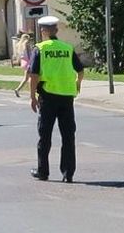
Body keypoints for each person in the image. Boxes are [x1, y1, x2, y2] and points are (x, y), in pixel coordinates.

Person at [28, 16, 84, 183]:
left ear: (43, 31)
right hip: (67, 97)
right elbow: (80, 71)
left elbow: (34, 75)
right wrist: (77, 83)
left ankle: (43, 171)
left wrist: (32, 97)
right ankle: (68, 173)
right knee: (68, 135)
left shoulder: (40, 49)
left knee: (45, 135)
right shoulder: (67, 48)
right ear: (57, 30)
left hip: (48, 95)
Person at [13, 33, 37, 98]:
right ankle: (32, 92)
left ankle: (18, 89)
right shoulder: (26, 43)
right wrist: (31, 61)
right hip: (28, 62)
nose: (29, 40)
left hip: (23, 61)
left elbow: (19, 55)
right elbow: (29, 54)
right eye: (28, 38)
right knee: (30, 78)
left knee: (26, 78)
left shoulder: (19, 45)